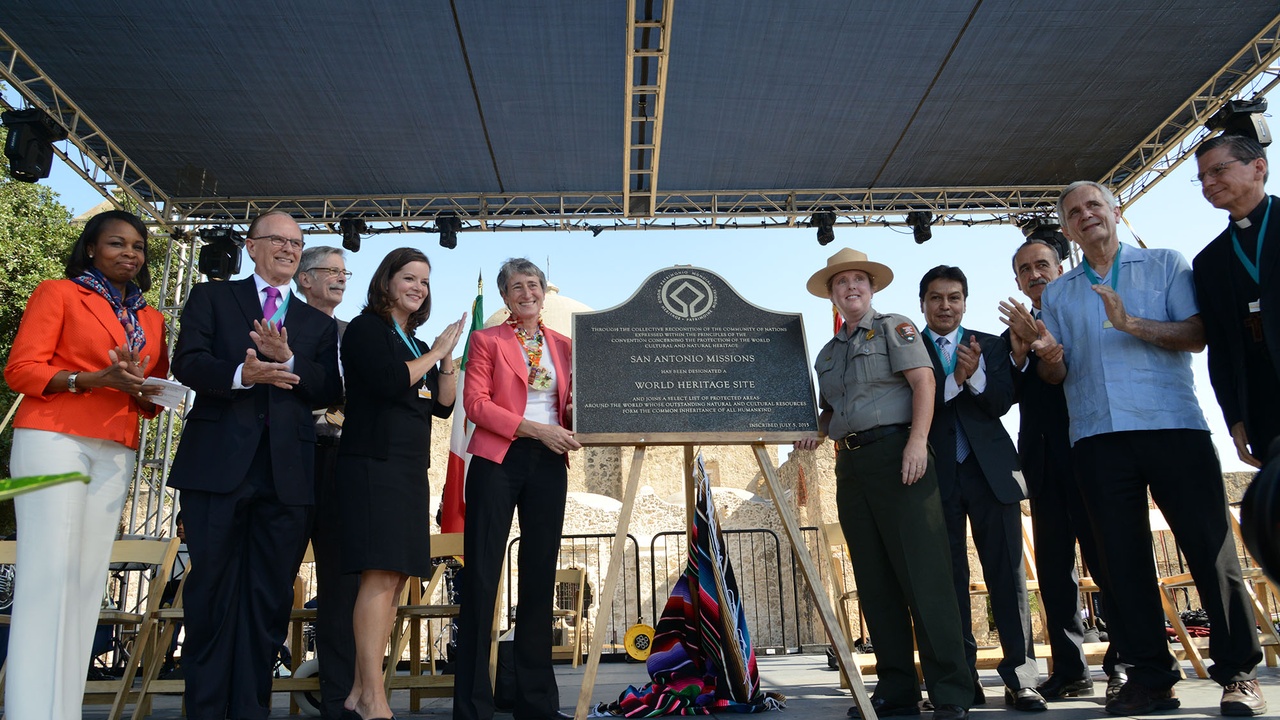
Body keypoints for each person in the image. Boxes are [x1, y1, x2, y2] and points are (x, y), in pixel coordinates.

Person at [1033, 181, 1266, 717]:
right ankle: (1151, 676)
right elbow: (1057, 373)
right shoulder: (1061, 292)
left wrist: (1129, 323)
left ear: (1115, 211)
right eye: (1074, 212)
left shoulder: (1165, 263)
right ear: (1066, 230)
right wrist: (1044, 351)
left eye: (1094, 205)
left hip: (1172, 426)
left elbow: (1198, 333)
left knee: (1209, 547)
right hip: (1095, 436)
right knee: (1121, 561)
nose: (1086, 215)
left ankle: (1238, 674)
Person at [168, 209, 342, 720]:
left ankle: (249, 709)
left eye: (296, 242)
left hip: (287, 477)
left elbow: (330, 389)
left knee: (267, 603)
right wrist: (242, 374)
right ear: (251, 246)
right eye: (277, 240)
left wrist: (287, 362)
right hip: (217, 468)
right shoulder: (213, 297)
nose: (288, 249)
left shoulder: (315, 321)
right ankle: (204, 710)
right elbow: (188, 361)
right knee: (211, 595)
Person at [3, 209, 169, 719]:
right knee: (46, 575)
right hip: (52, 438)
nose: (130, 253)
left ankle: (63, 711)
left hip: (115, 444)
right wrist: (87, 381)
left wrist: (151, 392)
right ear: (92, 249)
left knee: (85, 581)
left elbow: (150, 394)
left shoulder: (151, 318)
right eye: (117, 243)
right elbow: (22, 369)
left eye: (138, 246)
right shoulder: (58, 292)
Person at [795, 248, 972, 720]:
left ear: (871, 289)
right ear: (832, 295)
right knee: (874, 579)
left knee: (925, 575)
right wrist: (808, 433)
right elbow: (830, 412)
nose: (850, 287)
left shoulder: (896, 327)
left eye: (858, 280)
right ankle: (896, 688)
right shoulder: (826, 354)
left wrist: (917, 443)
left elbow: (924, 384)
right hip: (851, 466)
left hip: (901, 457)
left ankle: (951, 689)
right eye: (841, 282)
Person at [338, 248, 465, 720]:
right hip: (374, 464)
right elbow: (392, 383)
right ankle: (373, 696)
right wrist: (434, 351)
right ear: (387, 281)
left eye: (425, 282)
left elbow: (444, 405)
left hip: (409, 468)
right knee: (379, 573)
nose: (418, 287)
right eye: (409, 278)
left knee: (394, 581)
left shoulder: (412, 340)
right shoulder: (367, 329)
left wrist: (445, 358)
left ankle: (358, 689)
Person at [453, 258, 580, 720]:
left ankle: (537, 704)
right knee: (483, 578)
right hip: (497, 460)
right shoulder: (486, 341)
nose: (526, 292)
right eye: (516, 287)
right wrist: (533, 429)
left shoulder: (565, 345)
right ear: (505, 297)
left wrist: (580, 414)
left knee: (540, 578)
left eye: (533, 285)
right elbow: (475, 405)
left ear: (544, 292)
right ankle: (470, 706)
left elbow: (568, 408)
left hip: (550, 462)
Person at [998, 240, 1124, 702]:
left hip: (1092, 452)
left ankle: (1123, 664)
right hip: (1042, 462)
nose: (1035, 274)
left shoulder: (1084, 312)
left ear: (1060, 268)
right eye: (1025, 269)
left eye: (1042, 265)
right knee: (1055, 572)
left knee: (1110, 562)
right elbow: (1003, 397)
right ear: (1017, 281)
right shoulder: (1012, 332)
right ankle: (1071, 669)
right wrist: (1016, 354)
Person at [917, 265, 1041, 711]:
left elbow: (1002, 403)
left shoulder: (990, 344)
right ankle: (960, 681)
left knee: (1007, 576)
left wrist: (979, 375)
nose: (945, 306)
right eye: (936, 298)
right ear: (923, 304)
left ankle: (1022, 678)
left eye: (953, 297)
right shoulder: (909, 348)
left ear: (965, 302)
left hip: (991, 476)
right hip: (935, 478)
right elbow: (918, 407)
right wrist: (957, 381)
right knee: (948, 583)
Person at [293, 245, 359, 720]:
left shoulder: (353, 335)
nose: (339, 279)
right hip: (291, 460)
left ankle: (340, 702)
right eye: (329, 272)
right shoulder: (280, 320)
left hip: (343, 464)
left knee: (342, 590)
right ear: (304, 279)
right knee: (274, 582)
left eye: (344, 272)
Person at [1191, 133, 1279, 468]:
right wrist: (1235, 418)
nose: (1208, 183)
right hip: (1264, 407)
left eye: (1217, 171)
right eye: (1201, 178)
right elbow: (1221, 348)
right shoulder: (1210, 261)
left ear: (1258, 167)